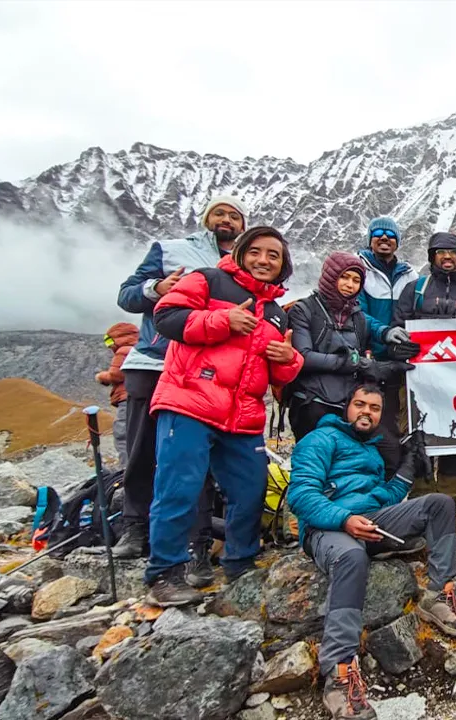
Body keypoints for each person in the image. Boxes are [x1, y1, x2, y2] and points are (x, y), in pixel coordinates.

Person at [288, 384, 456, 720]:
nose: (367, 412)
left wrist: (406, 470)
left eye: (374, 408)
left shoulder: (373, 452)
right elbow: (300, 496)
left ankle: (438, 596)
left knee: (440, 504)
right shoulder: (319, 440)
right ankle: (339, 674)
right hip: (327, 528)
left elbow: (383, 499)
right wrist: (343, 519)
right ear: (347, 408)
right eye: (360, 405)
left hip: (371, 522)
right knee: (351, 557)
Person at [143, 226, 305, 606]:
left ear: (283, 265)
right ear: (242, 253)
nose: (264, 260)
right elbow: (165, 316)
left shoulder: (278, 314)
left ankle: (241, 563)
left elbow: (277, 375)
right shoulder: (208, 281)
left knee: (249, 490)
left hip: (243, 415)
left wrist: (289, 360)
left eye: (274, 255)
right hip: (190, 402)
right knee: (178, 488)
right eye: (257, 252)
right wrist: (221, 321)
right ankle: (165, 573)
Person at [112, 195, 247, 580]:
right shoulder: (171, 250)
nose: (226, 220)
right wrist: (157, 287)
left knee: (194, 462)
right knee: (141, 451)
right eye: (220, 212)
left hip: (204, 372)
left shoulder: (242, 264)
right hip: (154, 361)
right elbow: (127, 295)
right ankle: (135, 527)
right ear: (207, 218)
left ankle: (196, 544)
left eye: (234, 215)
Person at [391, 232, 456, 500]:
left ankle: (449, 502)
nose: (447, 256)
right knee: (414, 437)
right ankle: (420, 500)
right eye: (440, 252)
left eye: (452, 251)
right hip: (415, 383)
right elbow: (397, 327)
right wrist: (399, 347)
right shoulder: (416, 289)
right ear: (432, 256)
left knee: (453, 439)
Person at [286, 252, 412, 444]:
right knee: (317, 458)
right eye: (344, 277)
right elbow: (303, 357)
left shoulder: (356, 315)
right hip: (312, 402)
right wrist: (352, 363)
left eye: (356, 280)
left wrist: (387, 336)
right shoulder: (304, 310)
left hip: (349, 404)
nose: (349, 284)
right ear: (330, 276)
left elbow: (371, 328)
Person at [357, 217, 420, 477]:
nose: (385, 238)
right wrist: (384, 334)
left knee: (395, 425)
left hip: (399, 363)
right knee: (369, 425)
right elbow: (357, 312)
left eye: (390, 235)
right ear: (370, 238)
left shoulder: (410, 274)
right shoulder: (358, 268)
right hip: (368, 361)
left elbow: (418, 314)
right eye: (378, 233)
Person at [95, 322, 138, 467]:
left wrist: (102, 377)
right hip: (140, 398)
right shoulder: (143, 348)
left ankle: (126, 472)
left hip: (127, 399)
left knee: (123, 435)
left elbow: (117, 375)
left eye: (109, 340)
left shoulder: (124, 350)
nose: (109, 346)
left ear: (120, 337)